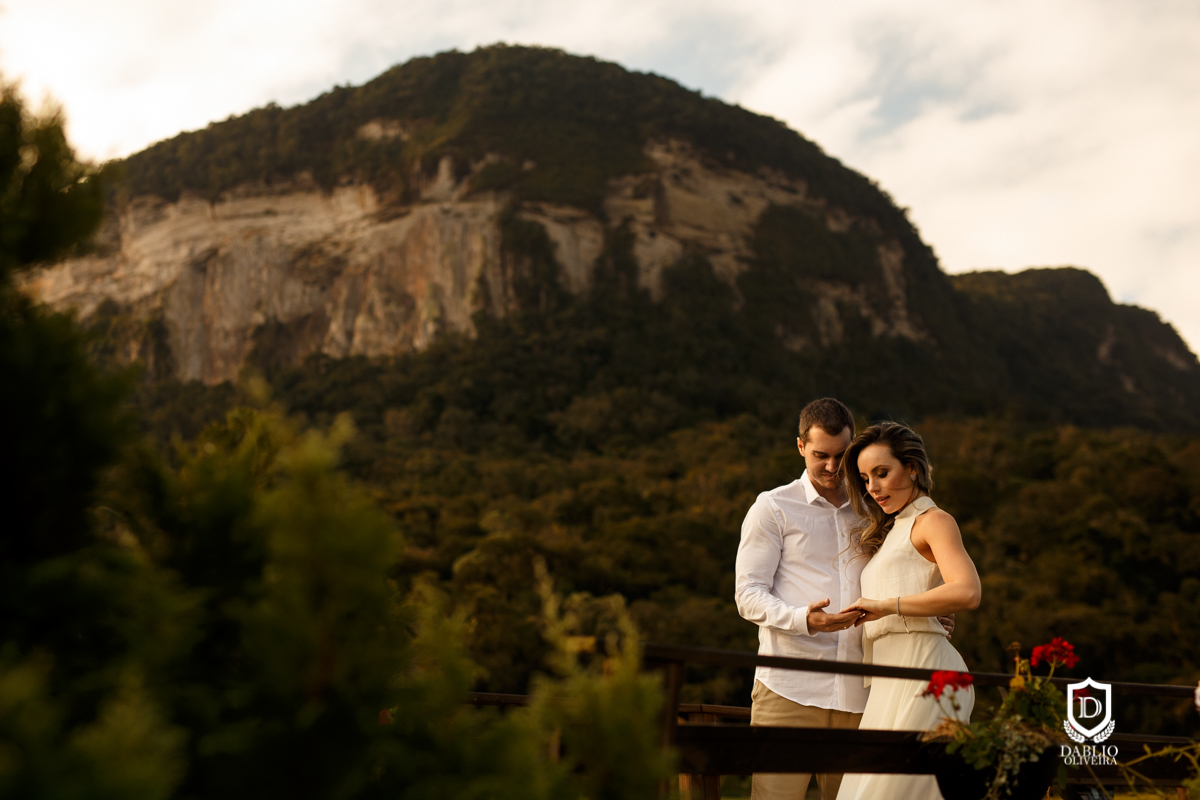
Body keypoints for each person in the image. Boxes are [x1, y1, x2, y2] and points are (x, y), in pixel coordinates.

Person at [734, 399, 954, 800]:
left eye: (842, 455)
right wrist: (804, 619)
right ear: (801, 447)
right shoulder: (773, 507)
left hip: (862, 695)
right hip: (790, 687)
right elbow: (747, 595)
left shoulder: (877, 506)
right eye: (821, 455)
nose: (833, 467)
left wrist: (929, 609)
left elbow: (906, 567)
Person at [834, 421, 981, 800]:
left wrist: (887, 607)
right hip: (889, 679)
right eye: (866, 478)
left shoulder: (934, 521)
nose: (873, 487)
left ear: (912, 468)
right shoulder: (892, 531)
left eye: (882, 473)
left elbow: (967, 592)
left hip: (929, 673)